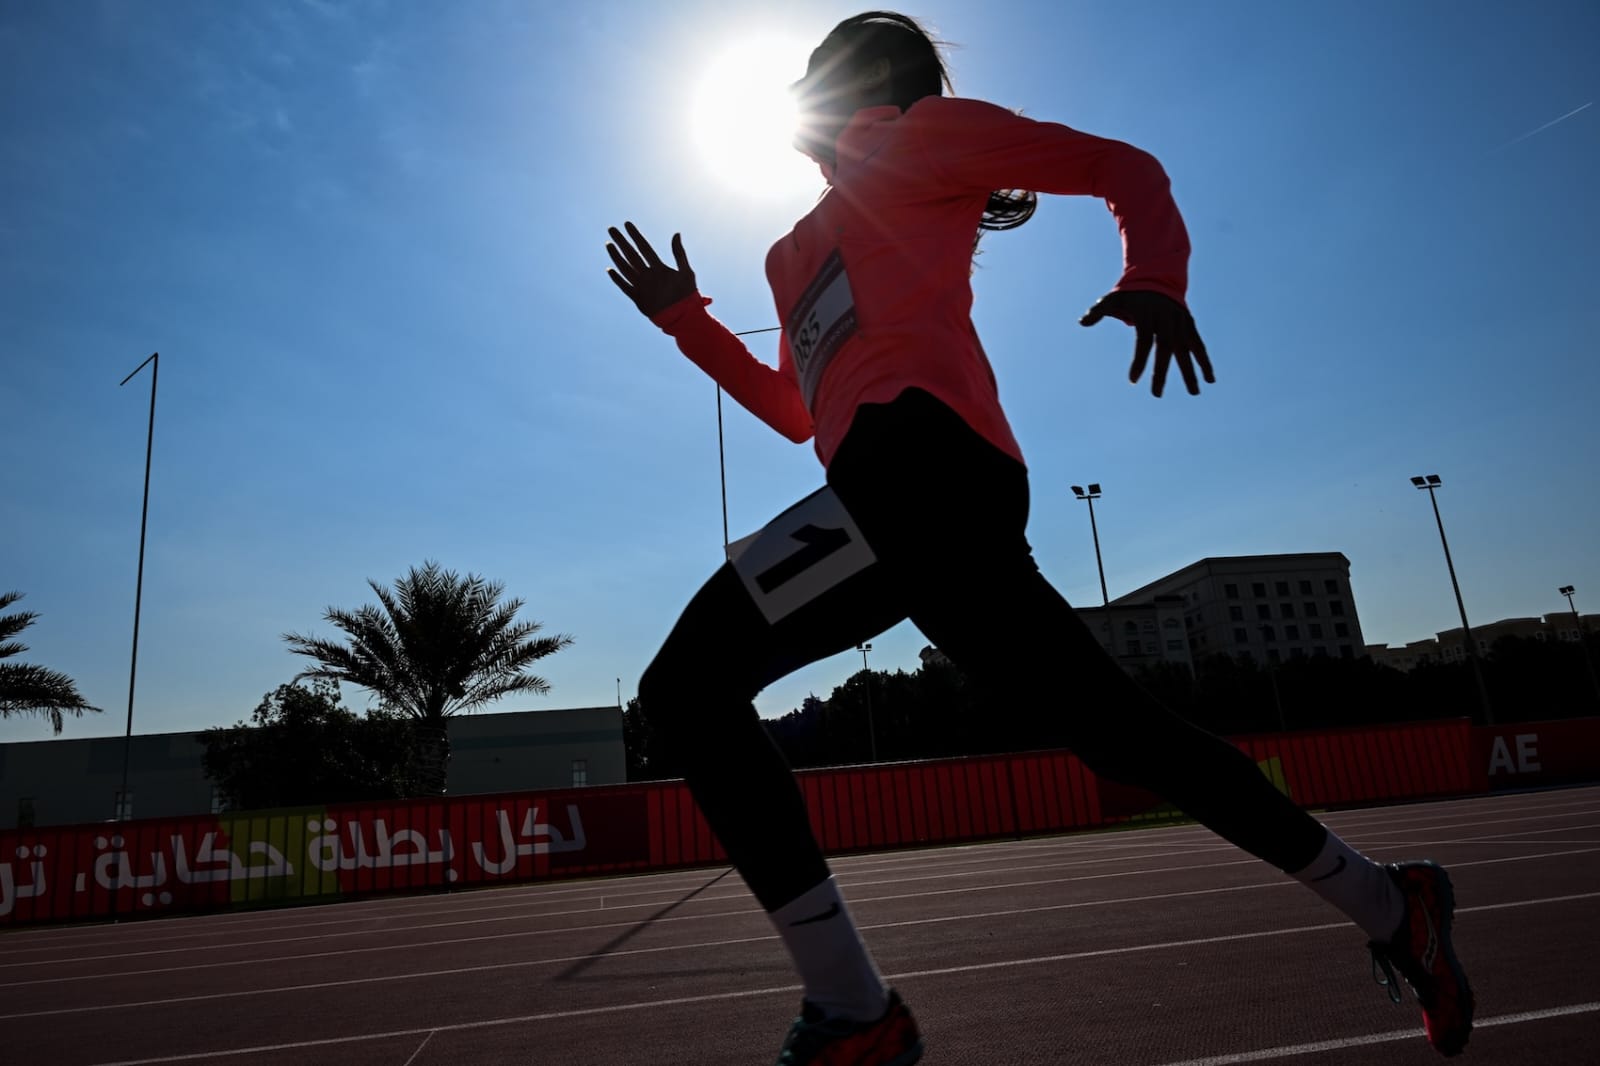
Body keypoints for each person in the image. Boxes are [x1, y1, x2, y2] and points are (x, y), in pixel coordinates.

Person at [605, 11, 1473, 1065]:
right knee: (1123, 737)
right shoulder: (789, 255)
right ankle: (1389, 903)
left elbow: (1124, 167)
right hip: (890, 498)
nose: (797, 88)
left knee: (687, 688)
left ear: (871, 79)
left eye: (817, 69)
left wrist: (1155, 276)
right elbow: (795, 410)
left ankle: (852, 1008)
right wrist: (687, 321)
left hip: (928, 469)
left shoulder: (921, 136)